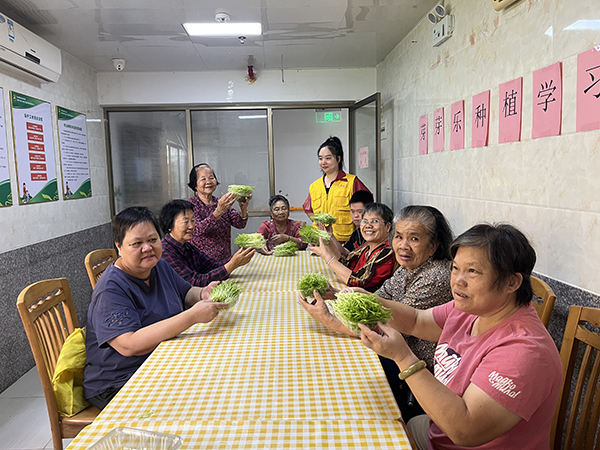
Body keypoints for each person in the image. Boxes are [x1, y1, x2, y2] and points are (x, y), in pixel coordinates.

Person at [359, 223, 562, 450]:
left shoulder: (524, 351)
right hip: (438, 430)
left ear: (512, 282)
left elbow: (465, 430)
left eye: (472, 271)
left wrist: (403, 357)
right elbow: (416, 320)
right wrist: (368, 302)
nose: (458, 281)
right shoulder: (470, 309)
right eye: (455, 268)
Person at [299, 205, 454, 419]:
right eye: (398, 237)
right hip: (399, 355)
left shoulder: (434, 278)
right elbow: (378, 299)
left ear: (434, 245)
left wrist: (329, 320)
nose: (403, 246)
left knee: (348, 389)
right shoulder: (408, 269)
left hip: (420, 372)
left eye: (414, 239)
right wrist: (336, 294)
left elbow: (386, 326)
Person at [83, 206, 229, 410]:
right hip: (119, 381)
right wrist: (192, 317)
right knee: (198, 401)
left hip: (159, 362)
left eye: (152, 240)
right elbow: (129, 344)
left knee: (220, 378)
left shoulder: (157, 266)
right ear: (119, 246)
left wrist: (203, 293)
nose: (147, 248)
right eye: (137, 243)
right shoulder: (110, 289)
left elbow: (186, 293)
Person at [160, 199, 255, 286]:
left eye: (193, 221)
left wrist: (239, 257)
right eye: (186, 222)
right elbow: (194, 283)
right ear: (169, 225)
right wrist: (232, 265)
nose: (191, 226)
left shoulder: (188, 247)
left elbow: (213, 266)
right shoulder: (164, 252)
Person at [308, 202, 396, 293]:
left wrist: (326, 255)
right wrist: (328, 238)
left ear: (388, 227)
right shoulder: (367, 247)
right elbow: (345, 264)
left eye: (375, 221)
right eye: (364, 221)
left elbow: (358, 283)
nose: (368, 225)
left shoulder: (388, 253)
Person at [303, 136, 370, 243]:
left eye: (328, 158)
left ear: (338, 159)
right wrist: (318, 224)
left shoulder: (352, 182)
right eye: (320, 158)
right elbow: (308, 209)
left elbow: (368, 207)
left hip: (345, 242)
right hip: (320, 243)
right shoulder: (314, 186)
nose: (323, 162)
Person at [188, 163, 250, 260]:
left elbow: (240, 224)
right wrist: (219, 211)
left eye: (211, 178)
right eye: (203, 179)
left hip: (225, 263)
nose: (208, 182)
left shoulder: (221, 201)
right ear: (194, 183)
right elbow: (197, 230)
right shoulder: (190, 205)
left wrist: (243, 208)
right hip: (202, 264)